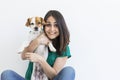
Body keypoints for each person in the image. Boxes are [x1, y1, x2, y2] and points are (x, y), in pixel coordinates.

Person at [1, 10, 75, 80]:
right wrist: (37, 41)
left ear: (61, 27)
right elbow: (23, 56)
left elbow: (53, 76)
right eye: (48, 25)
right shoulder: (35, 38)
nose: (52, 29)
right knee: (7, 74)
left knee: (69, 71)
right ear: (43, 25)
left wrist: (40, 60)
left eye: (56, 25)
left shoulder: (64, 47)